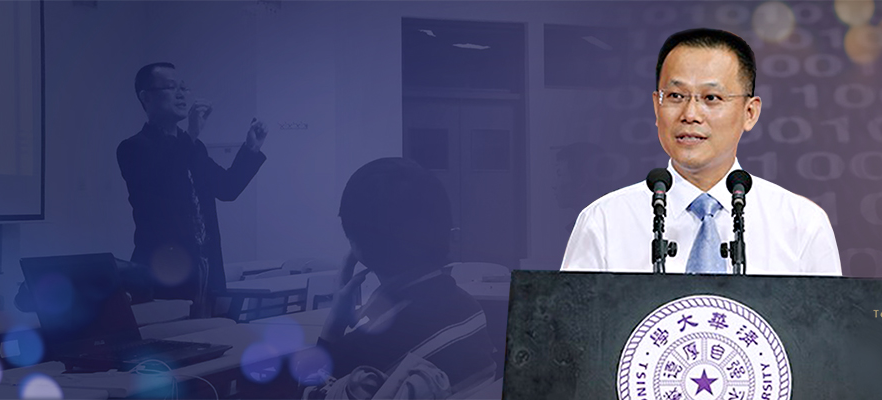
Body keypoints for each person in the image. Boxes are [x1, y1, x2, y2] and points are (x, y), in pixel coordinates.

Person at [561, 28, 841, 275]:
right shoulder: (604, 222)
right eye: (675, 96)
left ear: (750, 112)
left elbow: (827, 320)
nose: (690, 114)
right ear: (657, 107)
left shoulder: (801, 224)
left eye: (711, 98)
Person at [312, 158, 497, 399]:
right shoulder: (471, 309)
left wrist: (334, 326)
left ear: (356, 246)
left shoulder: (366, 348)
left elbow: (309, 393)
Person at [117, 62, 267, 317]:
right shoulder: (134, 148)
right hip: (165, 269)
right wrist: (192, 133)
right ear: (146, 97)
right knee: (177, 336)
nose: (181, 95)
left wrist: (251, 149)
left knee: (216, 334)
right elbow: (167, 183)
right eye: (171, 87)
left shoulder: (194, 148)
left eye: (183, 88)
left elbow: (227, 188)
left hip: (206, 268)